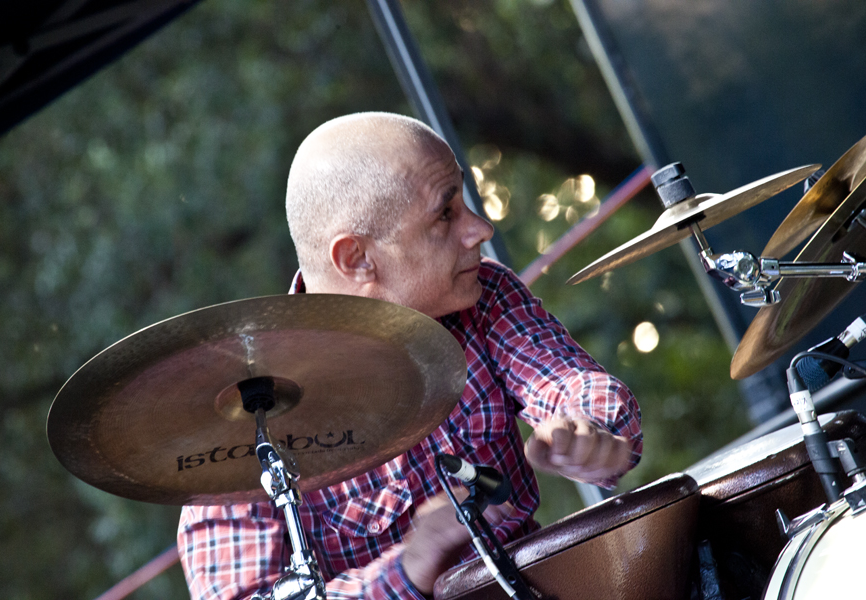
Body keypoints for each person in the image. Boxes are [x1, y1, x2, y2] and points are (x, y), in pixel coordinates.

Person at [178, 112, 642, 600]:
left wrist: (590, 429)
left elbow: (569, 385)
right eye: (446, 214)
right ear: (356, 259)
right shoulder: (237, 424)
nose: (480, 230)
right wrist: (408, 569)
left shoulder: (482, 293)